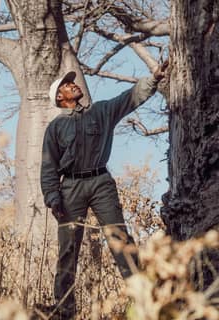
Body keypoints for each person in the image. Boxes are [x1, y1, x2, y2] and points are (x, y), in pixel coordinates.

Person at [40, 62, 168, 319]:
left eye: (72, 82)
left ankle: (142, 305)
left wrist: (153, 80)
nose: (73, 85)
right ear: (59, 98)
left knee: (120, 241)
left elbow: (128, 99)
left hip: (101, 183)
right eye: (66, 85)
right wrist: (53, 197)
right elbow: (48, 167)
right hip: (70, 189)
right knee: (68, 251)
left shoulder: (100, 111)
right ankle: (64, 312)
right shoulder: (54, 128)